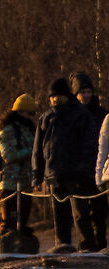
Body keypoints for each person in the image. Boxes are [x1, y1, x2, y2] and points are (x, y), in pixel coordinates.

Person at [37, 77, 105, 252]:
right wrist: (37, 175)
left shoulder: (81, 115)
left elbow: (89, 145)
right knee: (59, 216)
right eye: (52, 97)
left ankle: (88, 248)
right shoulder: (46, 118)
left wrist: (82, 169)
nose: (54, 99)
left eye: (58, 95)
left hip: (76, 174)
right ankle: (63, 247)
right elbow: (38, 149)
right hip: (54, 174)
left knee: (81, 214)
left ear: (66, 95)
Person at [0, 93, 38, 245]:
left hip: (25, 182)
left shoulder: (28, 129)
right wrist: (31, 151)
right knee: (8, 224)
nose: (32, 117)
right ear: (20, 113)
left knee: (23, 223)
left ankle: (22, 249)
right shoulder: (7, 131)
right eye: (30, 113)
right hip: (9, 183)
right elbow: (9, 155)